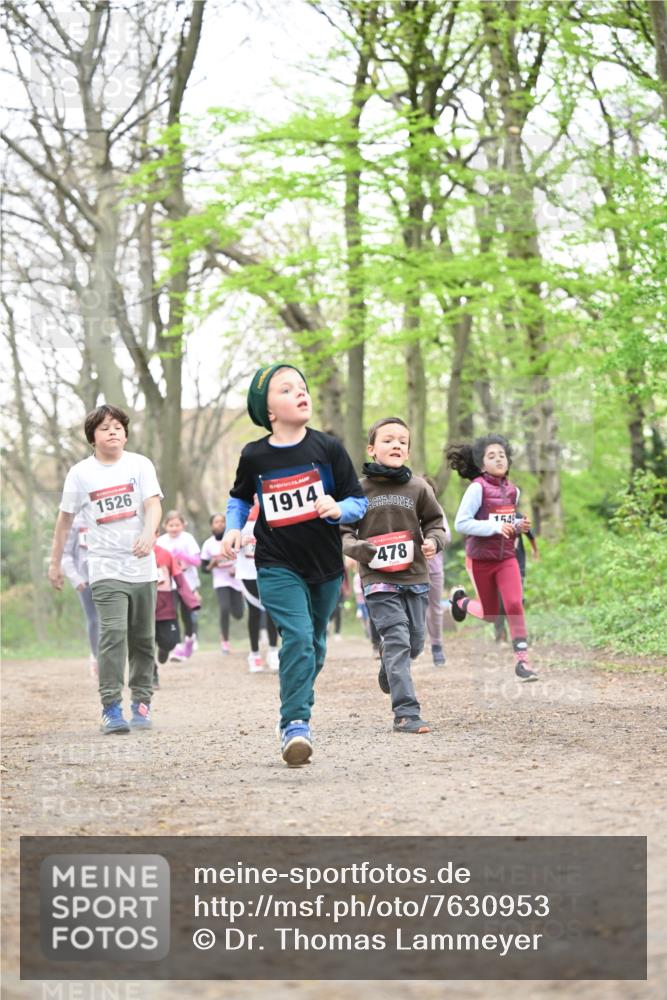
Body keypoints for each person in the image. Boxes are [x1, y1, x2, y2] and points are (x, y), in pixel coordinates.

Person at [222, 363, 367, 766]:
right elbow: (239, 499)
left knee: (315, 646)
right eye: (286, 390)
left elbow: (359, 500)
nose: (300, 393)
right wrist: (233, 529)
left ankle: (293, 699)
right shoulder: (255, 456)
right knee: (299, 639)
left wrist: (337, 507)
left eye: (302, 387)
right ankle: (296, 723)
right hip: (275, 562)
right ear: (268, 411)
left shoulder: (328, 448)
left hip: (324, 565)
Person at [47, 404, 163, 732]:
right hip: (104, 566)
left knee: (143, 638)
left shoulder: (140, 465)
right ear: (92, 438)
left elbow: (154, 504)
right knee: (112, 633)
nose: (113, 432)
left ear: (125, 433)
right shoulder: (80, 474)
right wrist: (55, 563)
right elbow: (64, 521)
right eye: (104, 428)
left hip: (142, 566)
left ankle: (141, 701)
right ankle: (110, 706)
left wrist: (148, 533)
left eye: (118, 427)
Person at [341, 417, 448, 734]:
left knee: (415, 643)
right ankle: (406, 713)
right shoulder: (359, 490)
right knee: (399, 640)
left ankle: (390, 661)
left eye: (403, 440)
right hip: (378, 581)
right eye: (388, 439)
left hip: (415, 578)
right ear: (372, 449)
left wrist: (433, 542)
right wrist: (360, 549)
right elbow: (344, 533)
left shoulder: (418, 487)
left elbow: (436, 524)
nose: (396, 444)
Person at [447, 434, 538, 681]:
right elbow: (461, 524)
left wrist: (519, 525)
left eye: (502, 454)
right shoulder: (477, 488)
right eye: (491, 456)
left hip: (506, 557)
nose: (498, 458)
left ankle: (522, 662)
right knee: (490, 615)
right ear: (482, 464)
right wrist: (494, 528)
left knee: (514, 604)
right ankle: (460, 602)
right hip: (480, 560)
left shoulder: (513, 491)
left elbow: (507, 521)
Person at [235, 500, 280, 673]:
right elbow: (228, 544)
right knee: (254, 613)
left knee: (271, 611)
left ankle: (273, 651)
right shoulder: (238, 517)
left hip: (269, 570)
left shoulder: (272, 514)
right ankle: (254, 654)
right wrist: (240, 541)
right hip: (247, 574)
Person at [153, 535, 200, 688]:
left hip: (165, 607)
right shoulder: (133, 555)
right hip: (143, 609)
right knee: (145, 645)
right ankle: (152, 676)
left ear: (156, 535)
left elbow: (180, 580)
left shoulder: (165, 554)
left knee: (170, 642)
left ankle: (164, 648)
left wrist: (191, 601)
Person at [156, 510, 201, 661]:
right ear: (165, 526)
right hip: (169, 586)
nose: (174, 528)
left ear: (183, 525)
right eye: (171, 525)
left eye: (177, 525)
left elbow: (198, 561)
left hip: (188, 583)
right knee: (172, 613)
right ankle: (176, 646)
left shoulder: (188, 539)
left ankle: (189, 639)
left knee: (188, 615)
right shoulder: (161, 541)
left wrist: (183, 555)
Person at [61, 512, 100, 678]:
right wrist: (75, 578)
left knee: (111, 621)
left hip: (109, 578)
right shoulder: (74, 522)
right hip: (85, 580)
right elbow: (66, 554)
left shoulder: (108, 516)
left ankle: (110, 660)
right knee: (94, 620)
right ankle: (96, 656)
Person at [200, 513, 245, 654]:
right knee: (224, 608)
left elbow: (245, 559)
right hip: (220, 581)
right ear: (211, 526)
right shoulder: (208, 544)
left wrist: (236, 569)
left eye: (222, 521)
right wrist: (211, 565)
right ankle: (225, 641)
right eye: (216, 522)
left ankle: (236, 604)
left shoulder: (234, 540)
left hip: (236, 581)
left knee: (238, 614)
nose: (219, 524)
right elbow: (204, 569)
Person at [421, 474, 451, 666]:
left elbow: (447, 535)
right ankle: (414, 645)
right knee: (415, 610)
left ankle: (437, 646)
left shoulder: (438, 510)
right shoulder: (408, 510)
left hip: (434, 569)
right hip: (412, 570)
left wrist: (431, 539)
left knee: (435, 609)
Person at [494, 512, 539, 643]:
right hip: (497, 565)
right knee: (498, 601)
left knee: (516, 601)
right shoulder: (491, 516)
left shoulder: (518, 517)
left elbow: (530, 535)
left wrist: (535, 551)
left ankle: (518, 634)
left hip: (517, 565)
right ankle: (500, 634)